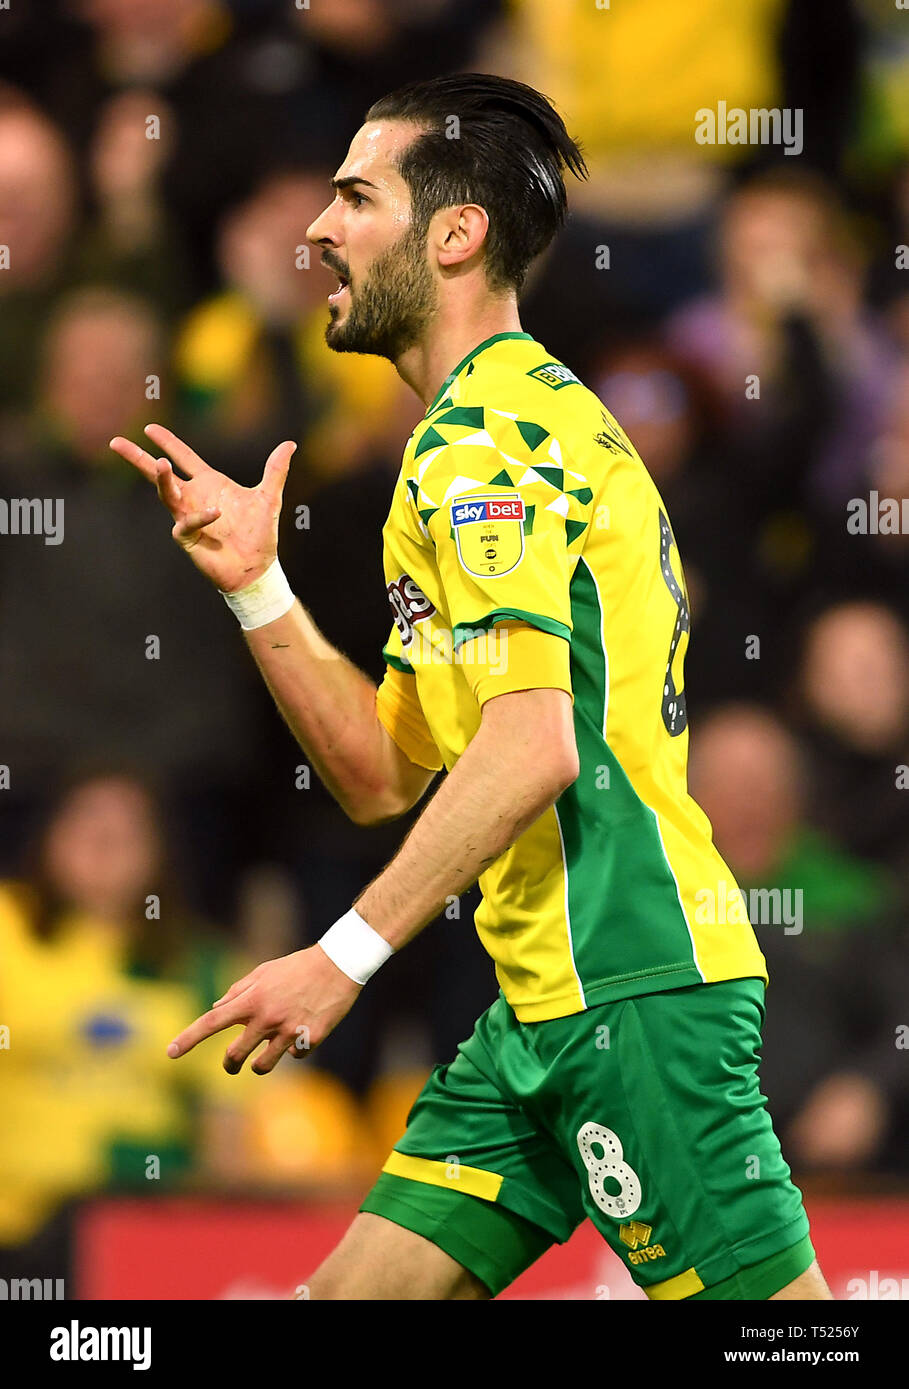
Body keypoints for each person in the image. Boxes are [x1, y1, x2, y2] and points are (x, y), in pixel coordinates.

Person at [110, 73, 831, 1301]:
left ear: (455, 234)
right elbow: (383, 772)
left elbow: (532, 750)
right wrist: (258, 590)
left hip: (632, 990)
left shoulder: (484, 443)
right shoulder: (489, 430)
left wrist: (337, 959)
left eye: (354, 196)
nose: (318, 231)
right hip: (541, 1006)